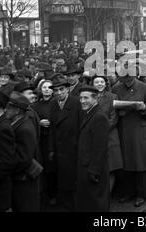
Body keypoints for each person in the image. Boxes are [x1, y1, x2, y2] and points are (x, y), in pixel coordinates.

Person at [112, 68, 146, 207]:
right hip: (122, 129)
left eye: (130, 79)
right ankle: (128, 192)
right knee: (125, 162)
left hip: (138, 129)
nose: (128, 82)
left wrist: (143, 108)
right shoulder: (116, 88)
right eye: (125, 79)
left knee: (139, 161)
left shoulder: (145, 88)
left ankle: (141, 194)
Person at [48, 74, 81, 211]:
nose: (58, 93)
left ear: (67, 89)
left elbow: (82, 127)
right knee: (61, 179)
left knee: (73, 180)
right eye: (55, 91)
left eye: (61, 89)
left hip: (73, 148)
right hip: (59, 148)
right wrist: (51, 149)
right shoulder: (53, 104)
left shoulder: (76, 103)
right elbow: (52, 128)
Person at [76, 86, 110, 212]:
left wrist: (94, 171)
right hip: (87, 166)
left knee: (97, 203)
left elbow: (100, 148)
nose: (82, 101)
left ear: (95, 99)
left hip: (93, 169)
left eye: (86, 98)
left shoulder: (99, 117)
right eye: (80, 98)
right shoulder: (90, 113)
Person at [5, 92, 40, 212]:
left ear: (18, 110)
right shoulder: (16, 123)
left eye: (9, 107)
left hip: (23, 181)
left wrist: (6, 166)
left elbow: (24, 159)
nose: (5, 110)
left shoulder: (25, 128)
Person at [91, 75, 122, 192]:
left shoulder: (113, 97)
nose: (99, 84)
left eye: (101, 82)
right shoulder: (88, 97)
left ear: (105, 83)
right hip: (92, 136)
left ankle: (107, 195)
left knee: (110, 167)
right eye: (96, 82)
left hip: (109, 135)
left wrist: (101, 131)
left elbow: (114, 118)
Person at [32, 80, 57, 207]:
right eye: (44, 87)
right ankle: (45, 193)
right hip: (41, 138)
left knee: (53, 166)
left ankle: (54, 194)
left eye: (49, 87)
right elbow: (31, 119)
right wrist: (39, 122)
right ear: (40, 89)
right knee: (44, 166)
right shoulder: (35, 105)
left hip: (55, 139)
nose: (47, 89)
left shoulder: (57, 103)